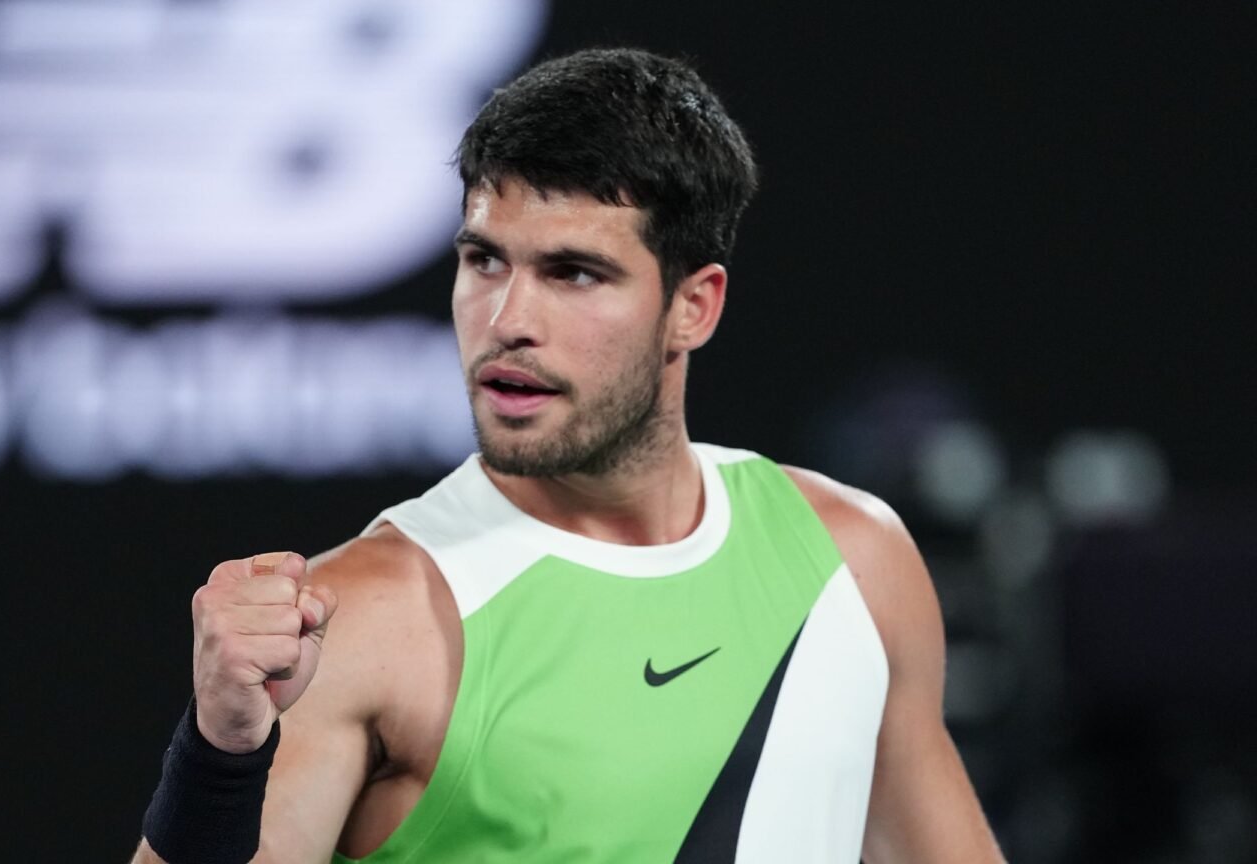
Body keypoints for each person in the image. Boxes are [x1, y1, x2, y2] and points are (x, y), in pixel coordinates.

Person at [133, 47, 1006, 863]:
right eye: (484, 261)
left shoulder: (854, 560)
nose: (508, 320)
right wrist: (221, 754)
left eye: (574, 273)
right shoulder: (362, 623)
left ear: (694, 307)